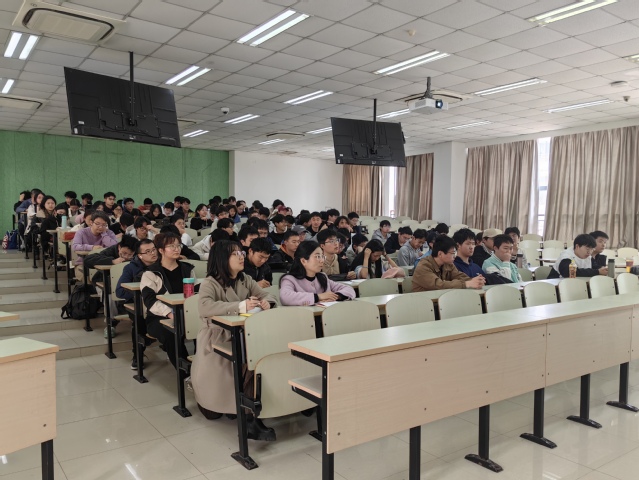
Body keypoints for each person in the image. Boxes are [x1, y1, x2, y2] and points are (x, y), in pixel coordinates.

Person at [191, 240, 276, 440]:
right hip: (217, 337)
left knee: (254, 362)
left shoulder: (245, 279)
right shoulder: (210, 282)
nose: (241, 257)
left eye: (241, 253)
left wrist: (267, 302)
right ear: (222, 258)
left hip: (244, 334)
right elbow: (205, 307)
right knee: (212, 410)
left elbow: (268, 295)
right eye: (235, 254)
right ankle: (229, 404)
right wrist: (240, 306)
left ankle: (249, 418)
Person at [141, 233, 195, 370]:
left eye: (178, 245)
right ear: (161, 250)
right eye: (171, 246)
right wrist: (170, 314)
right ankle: (185, 372)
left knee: (204, 330)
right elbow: (149, 300)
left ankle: (200, 367)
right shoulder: (151, 273)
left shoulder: (187, 269)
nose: (176, 249)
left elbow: (195, 295)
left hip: (186, 314)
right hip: (158, 318)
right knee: (171, 334)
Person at [115, 239, 159, 368]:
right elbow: (120, 291)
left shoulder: (162, 265)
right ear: (140, 255)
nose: (153, 253)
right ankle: (137, 355)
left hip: (158, 303)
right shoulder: (130, 268)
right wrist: (141, 294)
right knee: (139, 320)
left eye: (154, 249)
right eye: (148, 251)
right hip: (137, 304)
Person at [280, 241, 356, 306]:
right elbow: (285, 297)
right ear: (303, 261)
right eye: (317, 256)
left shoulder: (322, 277)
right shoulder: (290, 279)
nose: (322, 260)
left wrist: (336, 296)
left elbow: (348, 289)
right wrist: (318, 297)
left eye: (322, 256)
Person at [412, 236, 486, 291]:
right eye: (452, 253)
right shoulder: (423, 266)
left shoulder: (448, 264)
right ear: (440, 254)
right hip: (423, 302)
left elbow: (459, 276)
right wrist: (466, 284)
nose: (455, 256)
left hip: (441, 300)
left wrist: (474, 280)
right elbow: (439, 285)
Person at [72, 211, 118, 282]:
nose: (101, 227)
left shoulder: (109, 233)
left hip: (104, 263)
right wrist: (92, 247)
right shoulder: (81, 232)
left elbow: (115, 247)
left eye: (104, 225)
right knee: (90, 281)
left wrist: (104, 234)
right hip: (83, 264)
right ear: (91, 222)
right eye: (97, 224)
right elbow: (75, 246)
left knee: (112, 280)